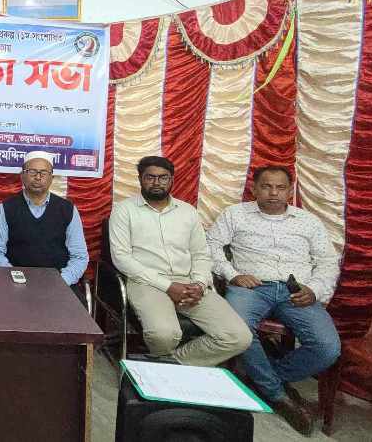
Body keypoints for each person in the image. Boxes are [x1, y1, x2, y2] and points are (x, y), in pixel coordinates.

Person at [207, 165, 341, 436]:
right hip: (252, 287)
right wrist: (233, 275)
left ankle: (264, 380)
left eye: (280, 188)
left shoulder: (308, 221)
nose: (273, 193)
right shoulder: (235, 214)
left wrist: (314, 290)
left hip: (296, 290)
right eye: (266, 186)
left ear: (290, 191)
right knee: (237, 328)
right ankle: (278, 396)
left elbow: (328, 261)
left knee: (328, 348)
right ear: (254, 188)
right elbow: (210, 247)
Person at [108, 156, 251, 366]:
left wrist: (199, 284)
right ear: (140, 179)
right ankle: (165, 368)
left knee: (239, 337)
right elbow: (121, 258)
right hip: (147, 282)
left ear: (172, 180)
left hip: (189, 282)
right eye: (150, 177)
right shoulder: (124, 210)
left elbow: (201, 254)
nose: (156, 183)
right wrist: (168, 286)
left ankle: (172, 365)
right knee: (164, 335)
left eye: (163, 178)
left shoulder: (188, 212)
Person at [0, 151, 89, 303]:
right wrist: (14, 278)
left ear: (52, 178)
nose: (38, 177)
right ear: (22, 175)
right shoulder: (6, 208)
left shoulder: (67, 209)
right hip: (16, 285)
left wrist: (61, 281)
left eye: (43, 172)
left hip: (59, 286)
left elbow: (80, 256)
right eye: (32, 171)